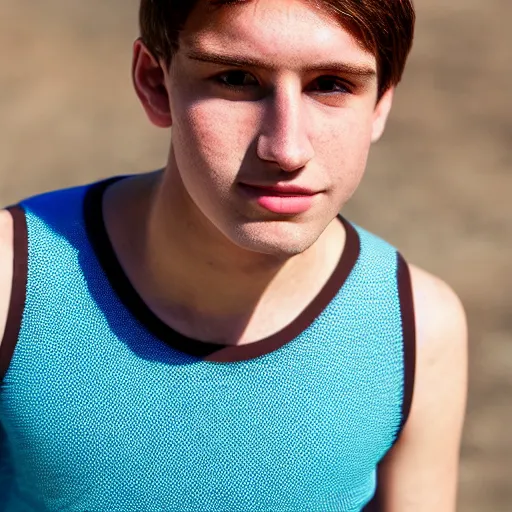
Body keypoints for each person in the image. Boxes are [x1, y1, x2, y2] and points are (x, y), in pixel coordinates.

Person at [0, 0, 467, 510]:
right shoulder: (12, 282)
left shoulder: (417, 328)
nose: (286, 149)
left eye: (332, 84)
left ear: (380, 104)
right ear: (155, 83)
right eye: (237, 78)